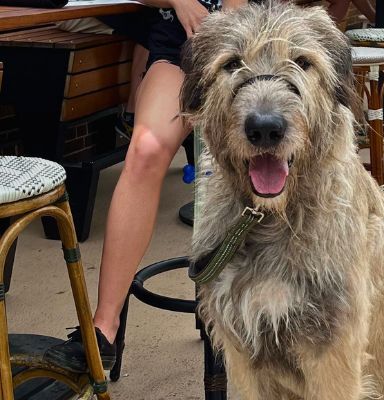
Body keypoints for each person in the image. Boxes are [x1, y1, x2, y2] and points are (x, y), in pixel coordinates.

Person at [44, 0, 248, 373]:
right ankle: (104, 327)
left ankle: (279, 317)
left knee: (262, 160)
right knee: (145, 152)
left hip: (253, 45)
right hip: (180, 45)